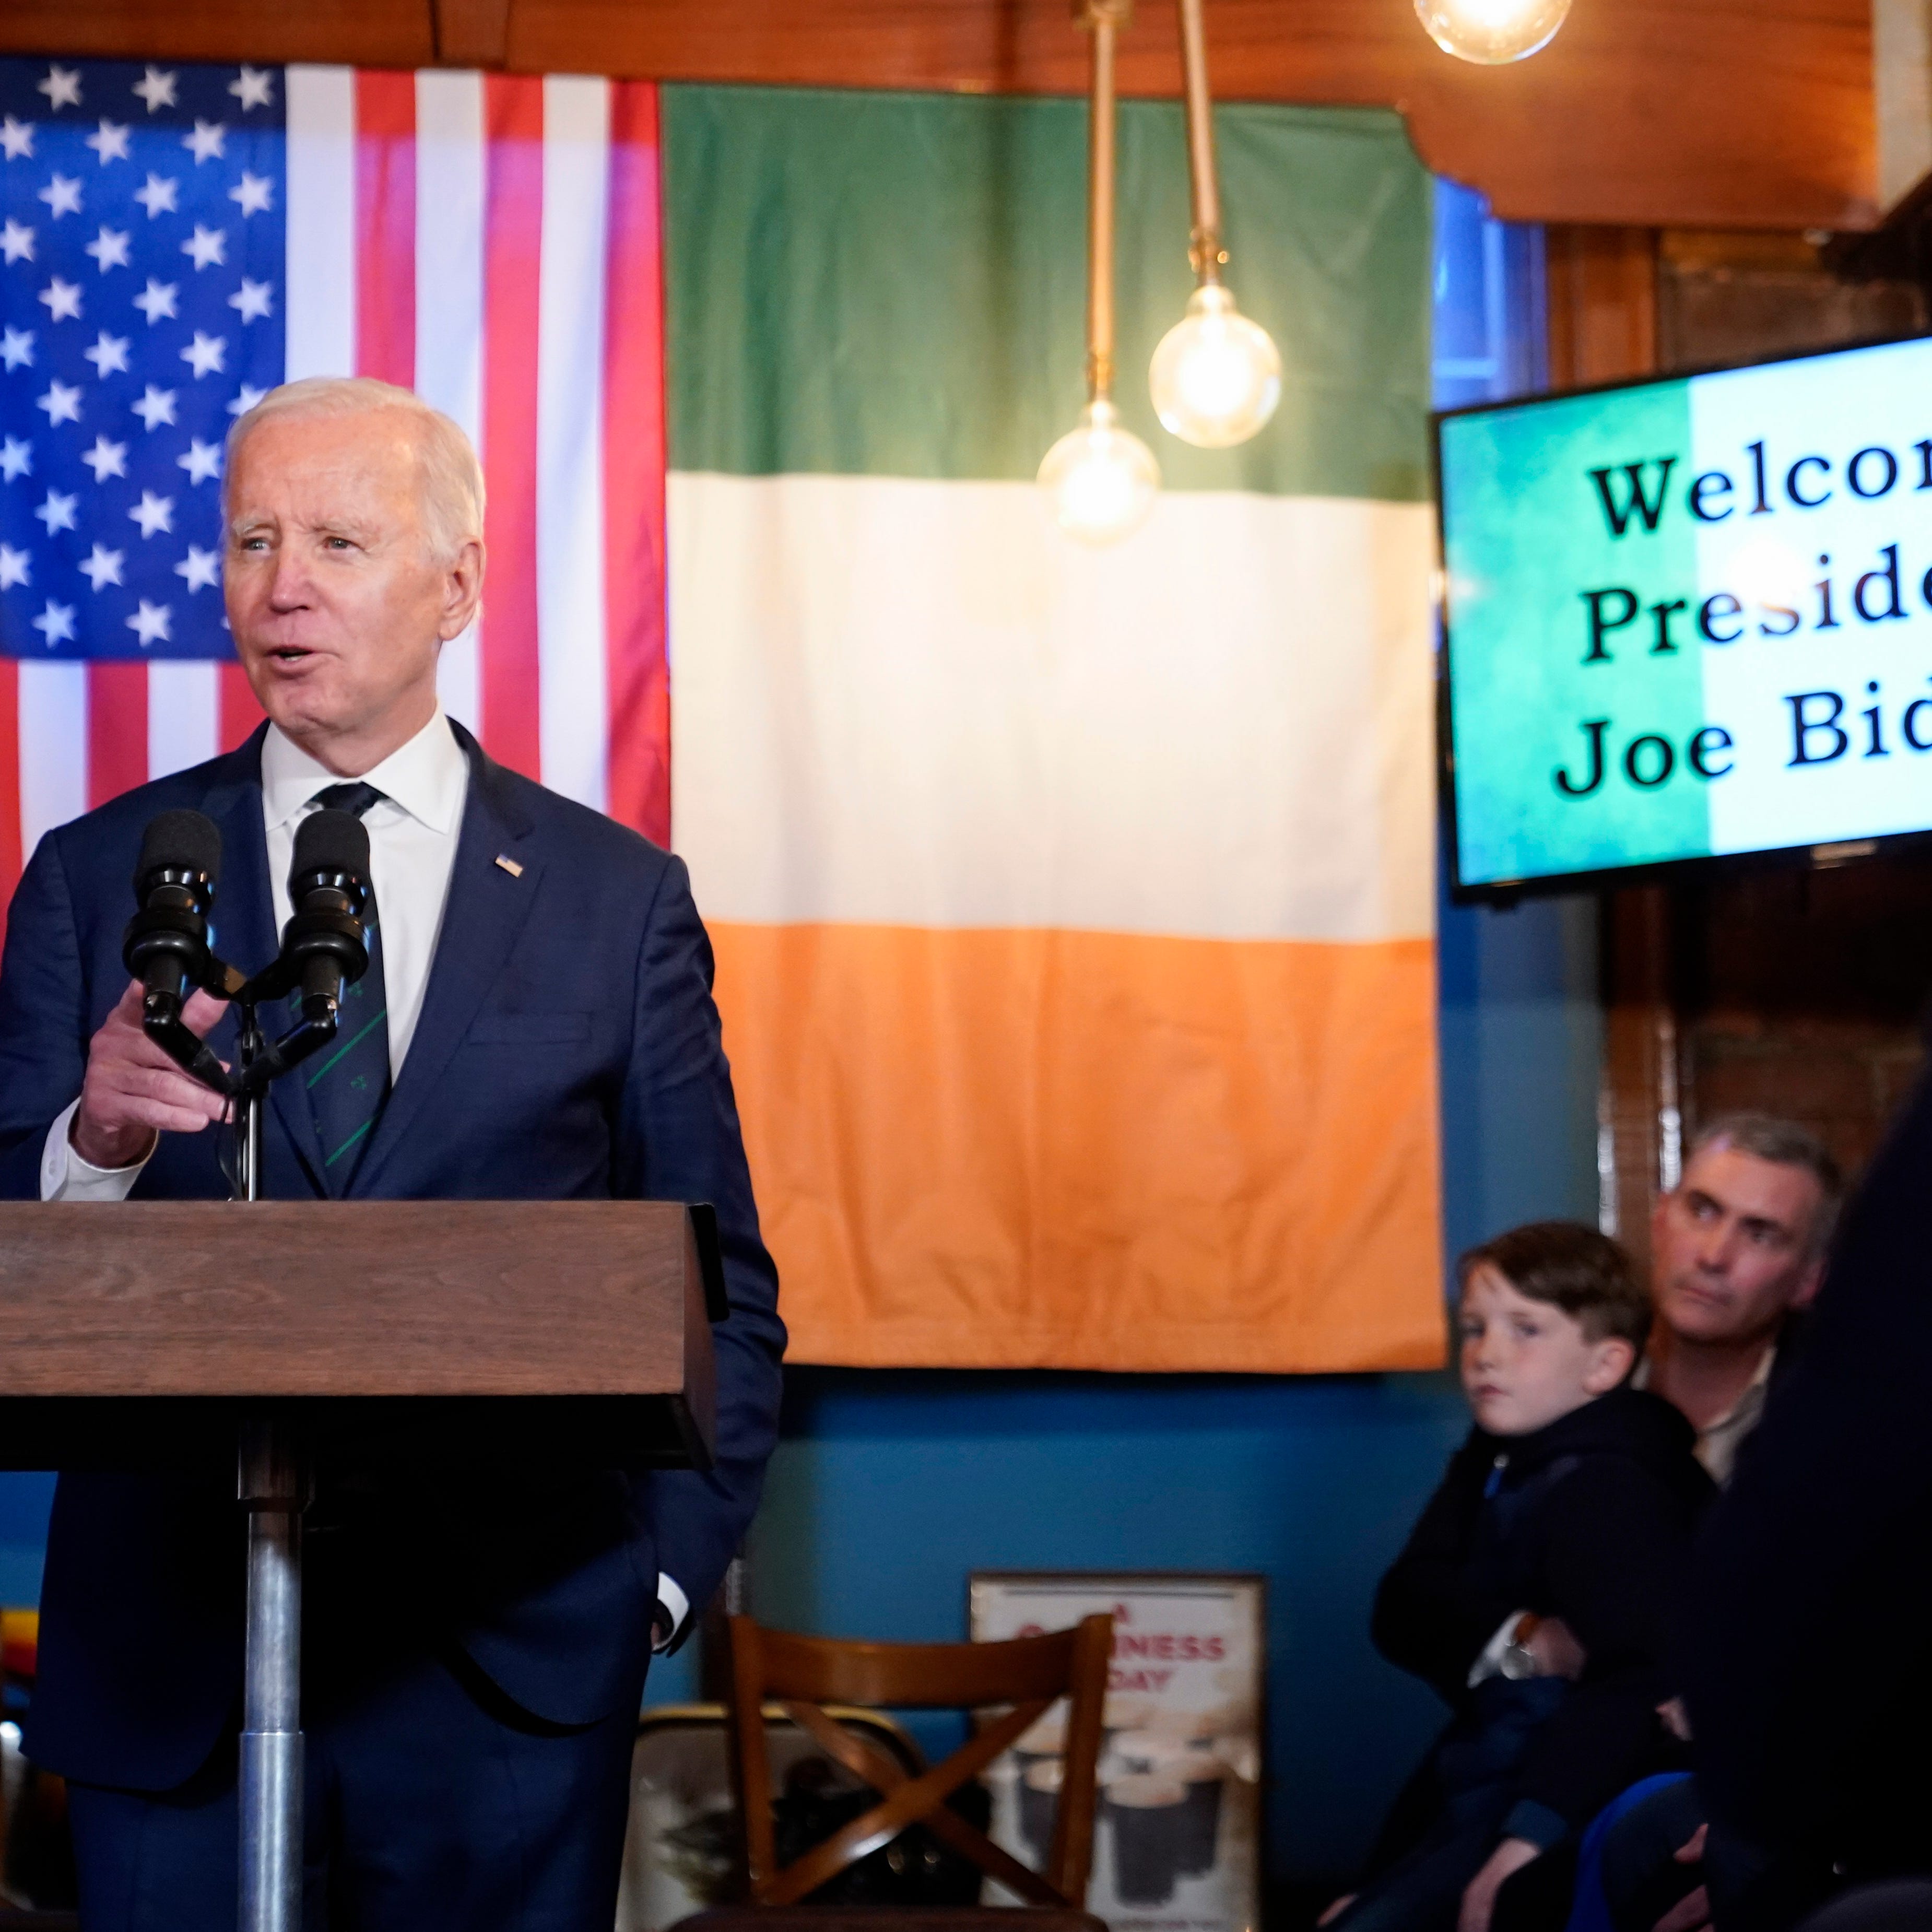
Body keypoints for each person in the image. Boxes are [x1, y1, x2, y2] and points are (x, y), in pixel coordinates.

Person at [0, 376, 787, 1930]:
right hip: (174, 1675)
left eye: (340, 542)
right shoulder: (101, 880)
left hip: (509, 1671)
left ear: (460, 584)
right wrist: (91, 1141)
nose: (282, 588)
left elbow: (725, 1297)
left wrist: (657, 1584)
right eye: (250, 540)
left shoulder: (614, 901)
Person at [1321, 1222, 1713, 1932]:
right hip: (1484, 1778)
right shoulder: (1496, 1454)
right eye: (1474, 1328)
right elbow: (1404, 1608)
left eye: (1525, 1329)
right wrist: (1526, 1644)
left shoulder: (1610, 1482)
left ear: (1605, 1366)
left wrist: (1524, 1843)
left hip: (1563, 1793)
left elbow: (1632, 1679)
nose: (1486, 1355)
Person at [1637, 1113, 1841, 1484]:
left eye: (1760, 1235)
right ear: (1660, 1222)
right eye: (1701, 1212)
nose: (1714, 1257)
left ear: (1810, 1281)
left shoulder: (1841, 1430)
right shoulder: (1559, 1384)